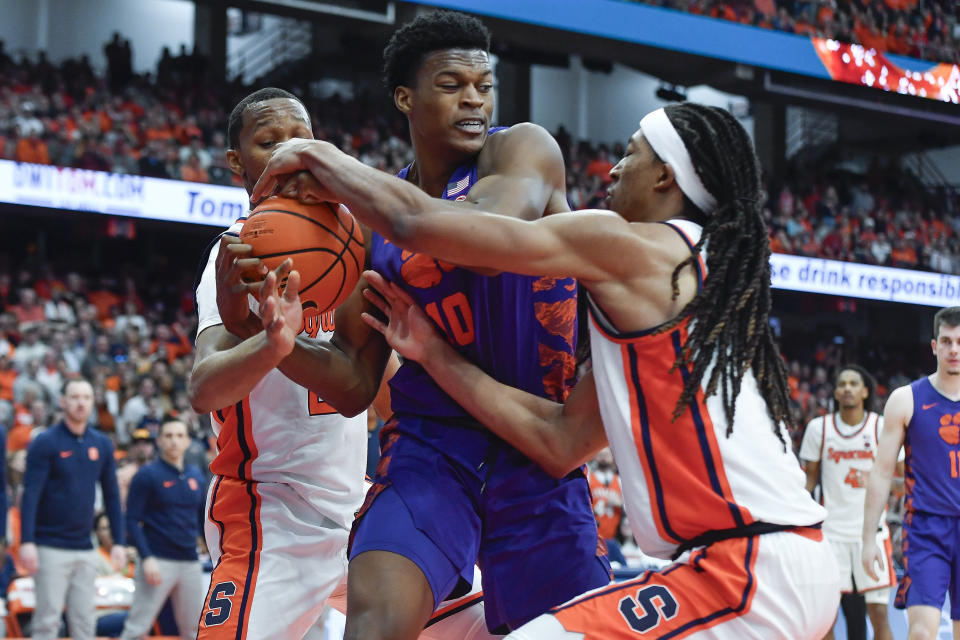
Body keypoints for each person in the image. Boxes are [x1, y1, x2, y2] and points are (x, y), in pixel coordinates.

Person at [254, 101, 839, 637]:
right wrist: (435, 354)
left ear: (665, 176)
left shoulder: (636, 246)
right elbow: (559, 441)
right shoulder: (693, 294)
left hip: (746, 568)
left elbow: (424, 228)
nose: (612, 171)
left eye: (631, 153)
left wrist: (318, 155)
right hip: (780, 564)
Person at [248, 12, 612, 638]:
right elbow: (355, 382)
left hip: (536, 445)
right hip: (430, 448)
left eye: (483, 83)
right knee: (375, 620)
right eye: (451, 83)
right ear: (405, 97)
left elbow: (474, 230)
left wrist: (323, 157)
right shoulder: (378, 217)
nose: (474, 98)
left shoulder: (523, 149)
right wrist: (280, 341)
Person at [189, 86, 393, 640]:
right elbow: (205, 388)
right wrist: (271, 342)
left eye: (300, 138)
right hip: (270, 513)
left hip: (359, 511)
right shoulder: (234, 254)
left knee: (489, 620)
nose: (287, 152)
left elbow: (367, 389)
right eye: (268, 141)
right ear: (239, 163)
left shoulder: (353, 242)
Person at [862, 306, 960, 640]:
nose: (954, 349)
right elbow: (880, 472)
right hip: (926, 529)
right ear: (934, 346)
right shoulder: (906, 399)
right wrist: (868, 538)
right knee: (920, 633)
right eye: (946, 341)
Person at [21, 377, 125, 640]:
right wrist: (27, 541)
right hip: (49, 546)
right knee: (47, 620)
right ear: (63, 402)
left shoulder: (101, 443)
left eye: (86, 398)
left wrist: (120, 542)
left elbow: (112, 495)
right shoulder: (46, 442)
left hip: (85, 546)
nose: (81, 403)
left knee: (85, 622)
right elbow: (30, 494)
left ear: (92, 402)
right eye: (75, 397)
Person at [800, 365, 895, 640]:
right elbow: (810, 482)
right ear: (836, 392)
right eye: (842, 384)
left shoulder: (880, 426)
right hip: (831, 535)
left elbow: (902, 482)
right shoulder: (819, 428)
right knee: (825, 618)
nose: (848, 388)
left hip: (873, 535)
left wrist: (876, 480)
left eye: (854, 383)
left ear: (865, 391)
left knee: (879, 615)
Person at [120, 418, 206, 640]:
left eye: (179, 436)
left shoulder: (196, 475)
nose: (174, 441)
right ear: (159, 441)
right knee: (138, 628)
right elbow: (131, 520)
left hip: (190, 561)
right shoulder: (147, 475)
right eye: (168, 436)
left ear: (187, 441)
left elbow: (202, 519)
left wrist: (212, 551)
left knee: (196, 630)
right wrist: (146, 557)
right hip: (157, 560)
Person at [587, 447, 623, 542]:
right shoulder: (588, 478)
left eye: (606, 455)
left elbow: (631, 509)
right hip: (592, 536)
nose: (603, 457)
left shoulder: (620, 481)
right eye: (600, 454)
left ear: (612, 457)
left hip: (614, 537)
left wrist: (620, 504)